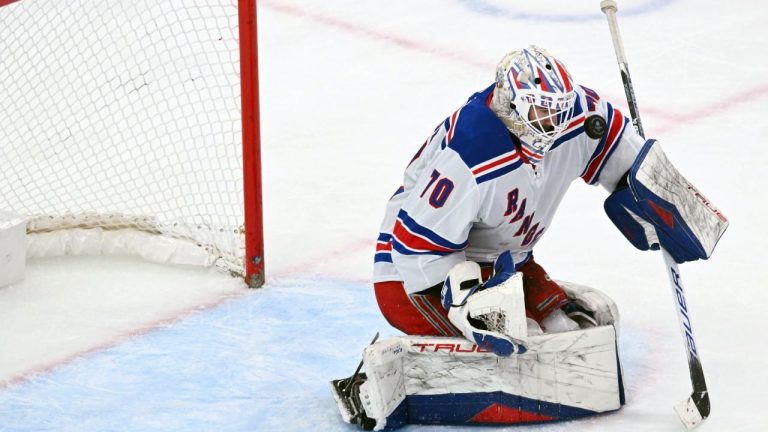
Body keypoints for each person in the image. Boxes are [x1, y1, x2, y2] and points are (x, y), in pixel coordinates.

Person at [372, 45, 644, 344]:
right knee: (523, 336)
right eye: (543, 110)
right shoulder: (471, 153)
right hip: (411, 277)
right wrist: (466, 309)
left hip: (505, 262)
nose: (554, 124)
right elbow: (416, 246)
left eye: (559, 110)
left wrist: (648, 186)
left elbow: (616, 145)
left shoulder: (576, 115)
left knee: (563, 329)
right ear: (513, 105)